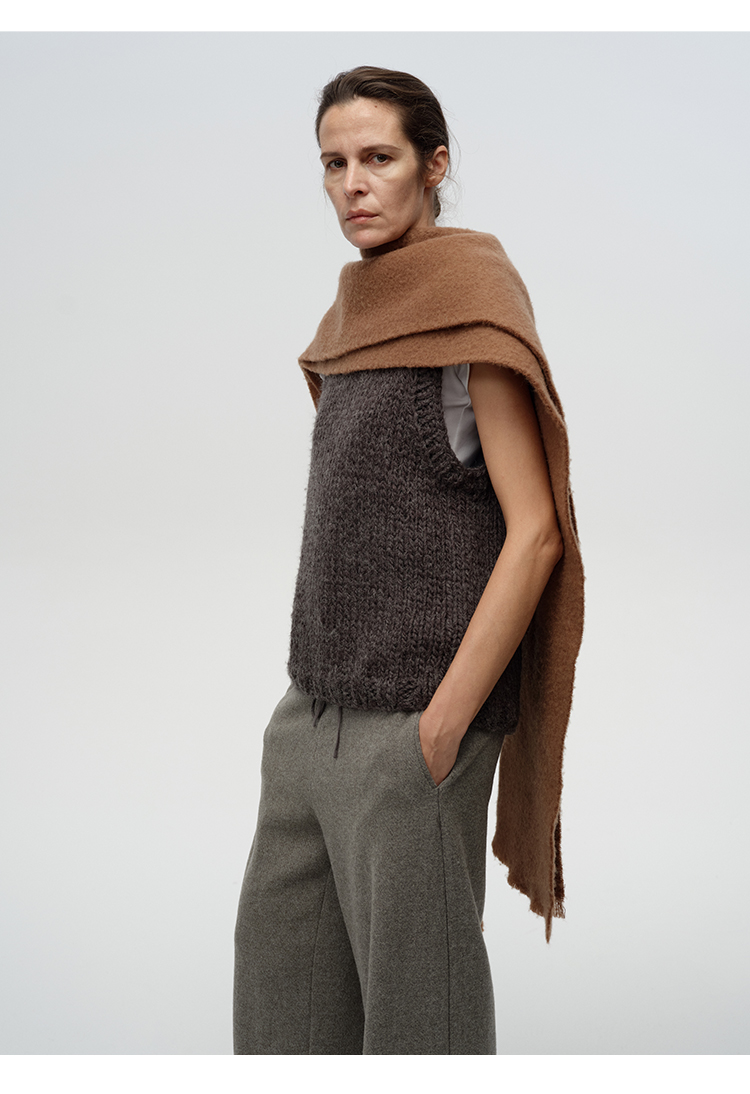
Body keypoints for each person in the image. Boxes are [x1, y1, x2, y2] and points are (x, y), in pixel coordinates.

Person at [233, 65, 584, 1056]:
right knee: (277, 1014)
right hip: (308, 720)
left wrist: (442, 725)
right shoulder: (355, 312)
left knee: (422, 1027)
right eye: (333, 163)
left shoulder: (469, 307)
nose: (353, 183)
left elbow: (536, 530)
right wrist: (299, 725)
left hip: (414, 731)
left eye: (378, 158)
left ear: (434, 165)